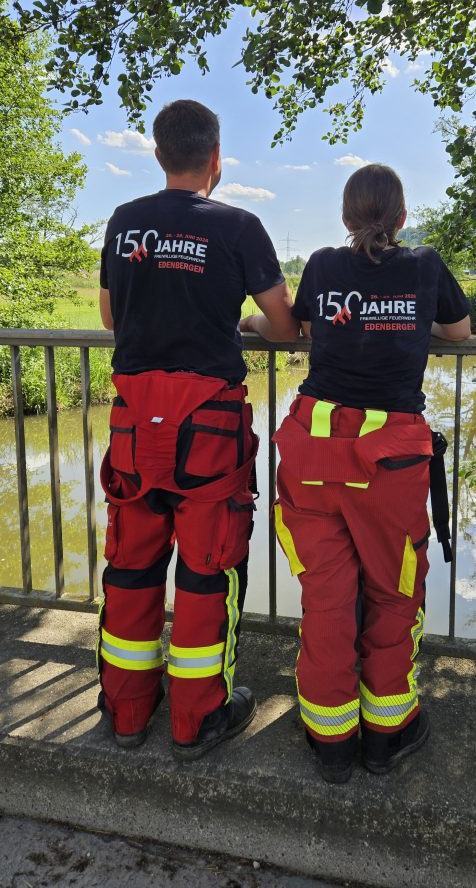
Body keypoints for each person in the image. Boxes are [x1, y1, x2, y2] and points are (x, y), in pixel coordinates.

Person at [98, 98, 298, 758]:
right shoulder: (240, 226)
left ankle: (126, 712)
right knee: (208, 571)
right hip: (208, 426)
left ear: (158, 156)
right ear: (216, 160)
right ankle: (196, 718)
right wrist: (244, 324)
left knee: (131, 564)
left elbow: (107, 316)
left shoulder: (126, 222)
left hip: (133, 423)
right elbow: (285, 324)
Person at [270, 164, 470, 783]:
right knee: (393, 590)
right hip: (389, 457)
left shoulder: (325, 265)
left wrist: (253, 327)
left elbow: (301, 325)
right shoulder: (425, 264)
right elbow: (458, 332)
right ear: (403, 216)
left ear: (345, 218)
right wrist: (415, 325)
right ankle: (386, 734)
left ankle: (331, 740)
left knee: (327, 594)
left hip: (313, 445)